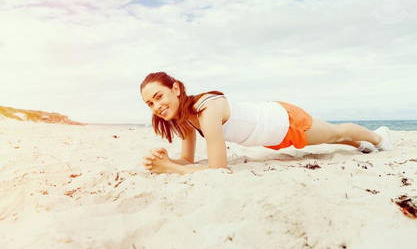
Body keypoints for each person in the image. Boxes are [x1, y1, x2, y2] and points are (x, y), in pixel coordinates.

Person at [140, 72, 393, 175]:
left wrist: (170, 169)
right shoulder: (186, 120)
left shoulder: (207, 109)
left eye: (158, 96)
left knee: (337, 133)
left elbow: (219, 169)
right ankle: (361, 144)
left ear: (175, 88)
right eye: (150, 104)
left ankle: (380, 137)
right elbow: (188, 161)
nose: (156, 106)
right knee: (331, 138)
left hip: (284, 121)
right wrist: (168, 161)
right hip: (273, 138)